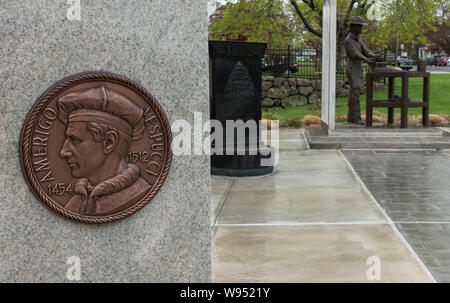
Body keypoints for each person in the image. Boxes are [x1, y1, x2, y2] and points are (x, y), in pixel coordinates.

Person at [57, 86, 151, 216]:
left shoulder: (138, 194)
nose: (63, 152)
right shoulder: (75, 204)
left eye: (75, 140)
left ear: (109, 142)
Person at [344, 16, 379, 125]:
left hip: (358, 69)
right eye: (359, 26)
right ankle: (357, 118)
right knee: (355, 94)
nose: (361, 29)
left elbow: (366, 50)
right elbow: (356, 54)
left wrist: (375, 56)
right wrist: (367, 60)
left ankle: (350, 117)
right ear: (353, 27)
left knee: (353, 94)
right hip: (351, 69)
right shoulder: (348, 40)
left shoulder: (359, 40)